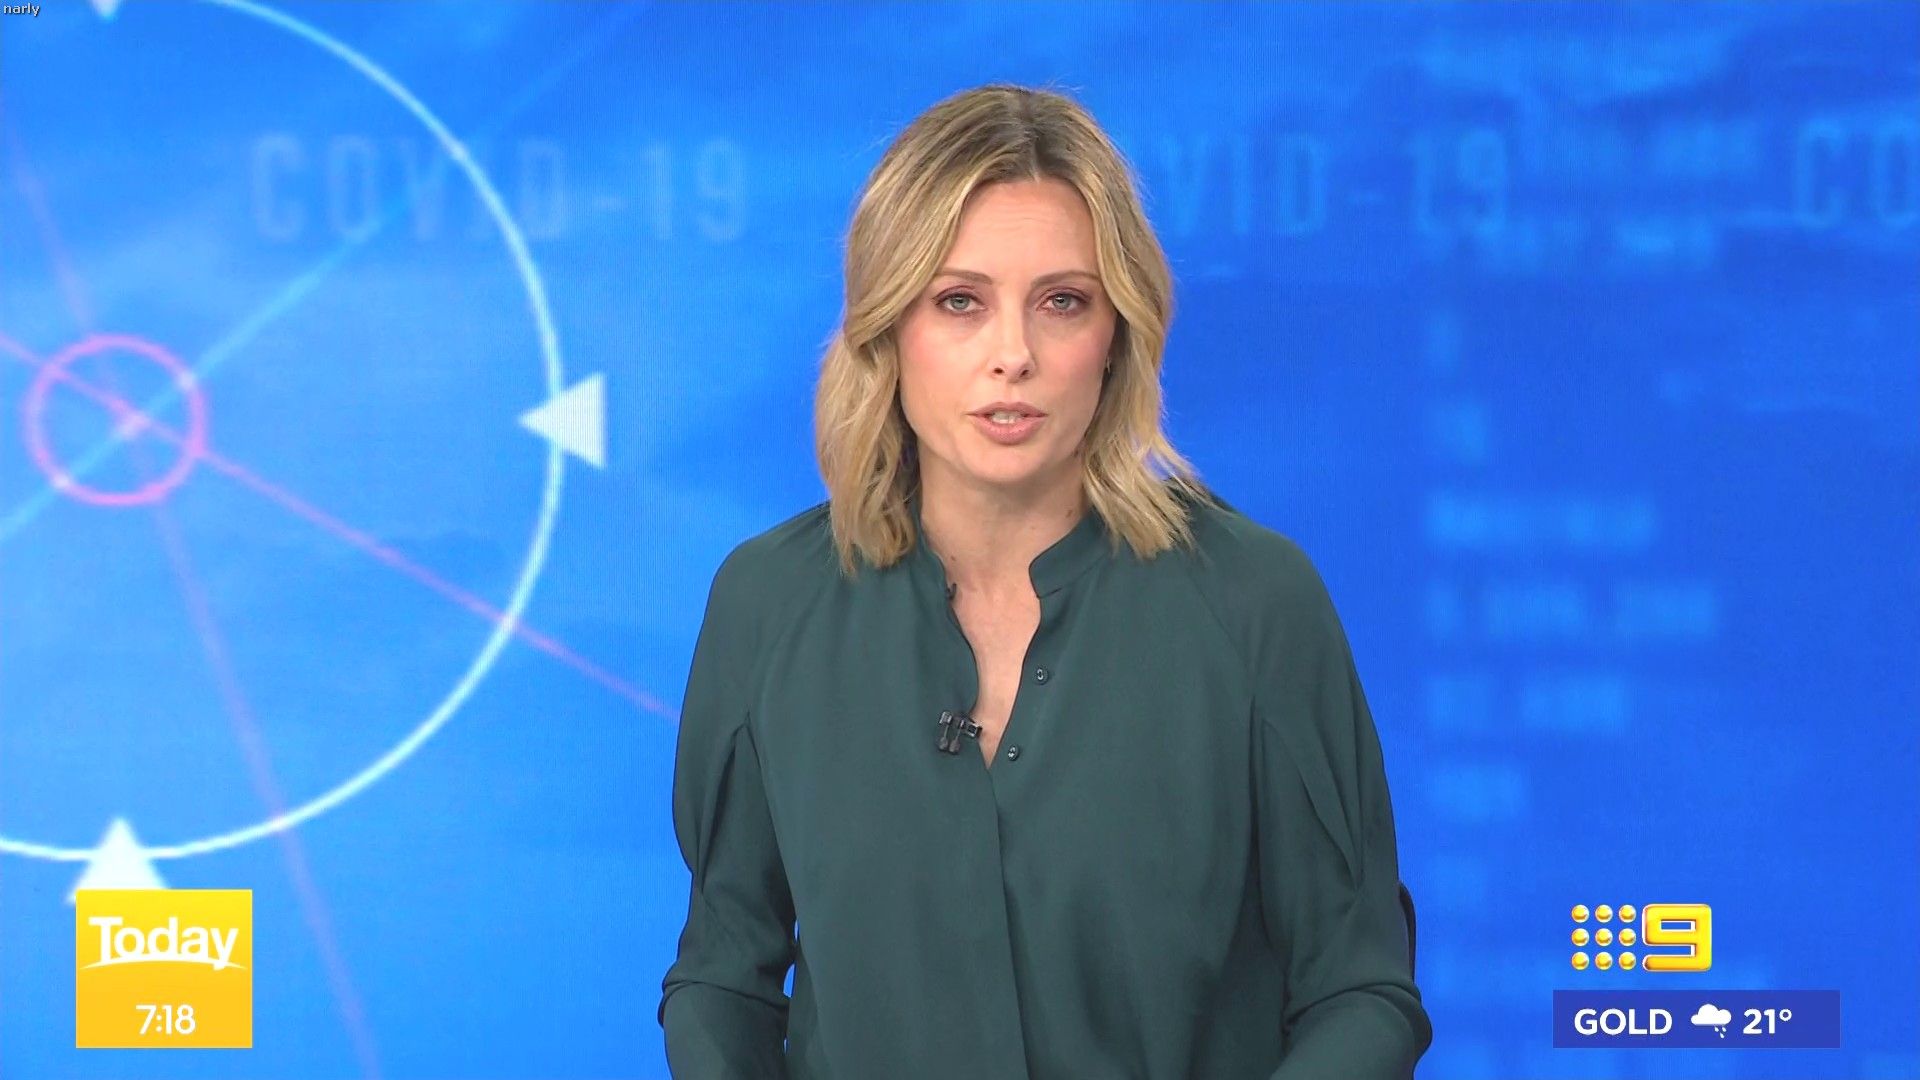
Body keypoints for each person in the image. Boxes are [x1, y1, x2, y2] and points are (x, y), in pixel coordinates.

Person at [657, 82, 1432, 1079]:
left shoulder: (1255, 604)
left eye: (1062, 302)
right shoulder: (768, 604)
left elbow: (1358, 991)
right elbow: (723, 977)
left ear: (1117, 336)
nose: (1013, 356)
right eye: (960, 302)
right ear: (887, 328)